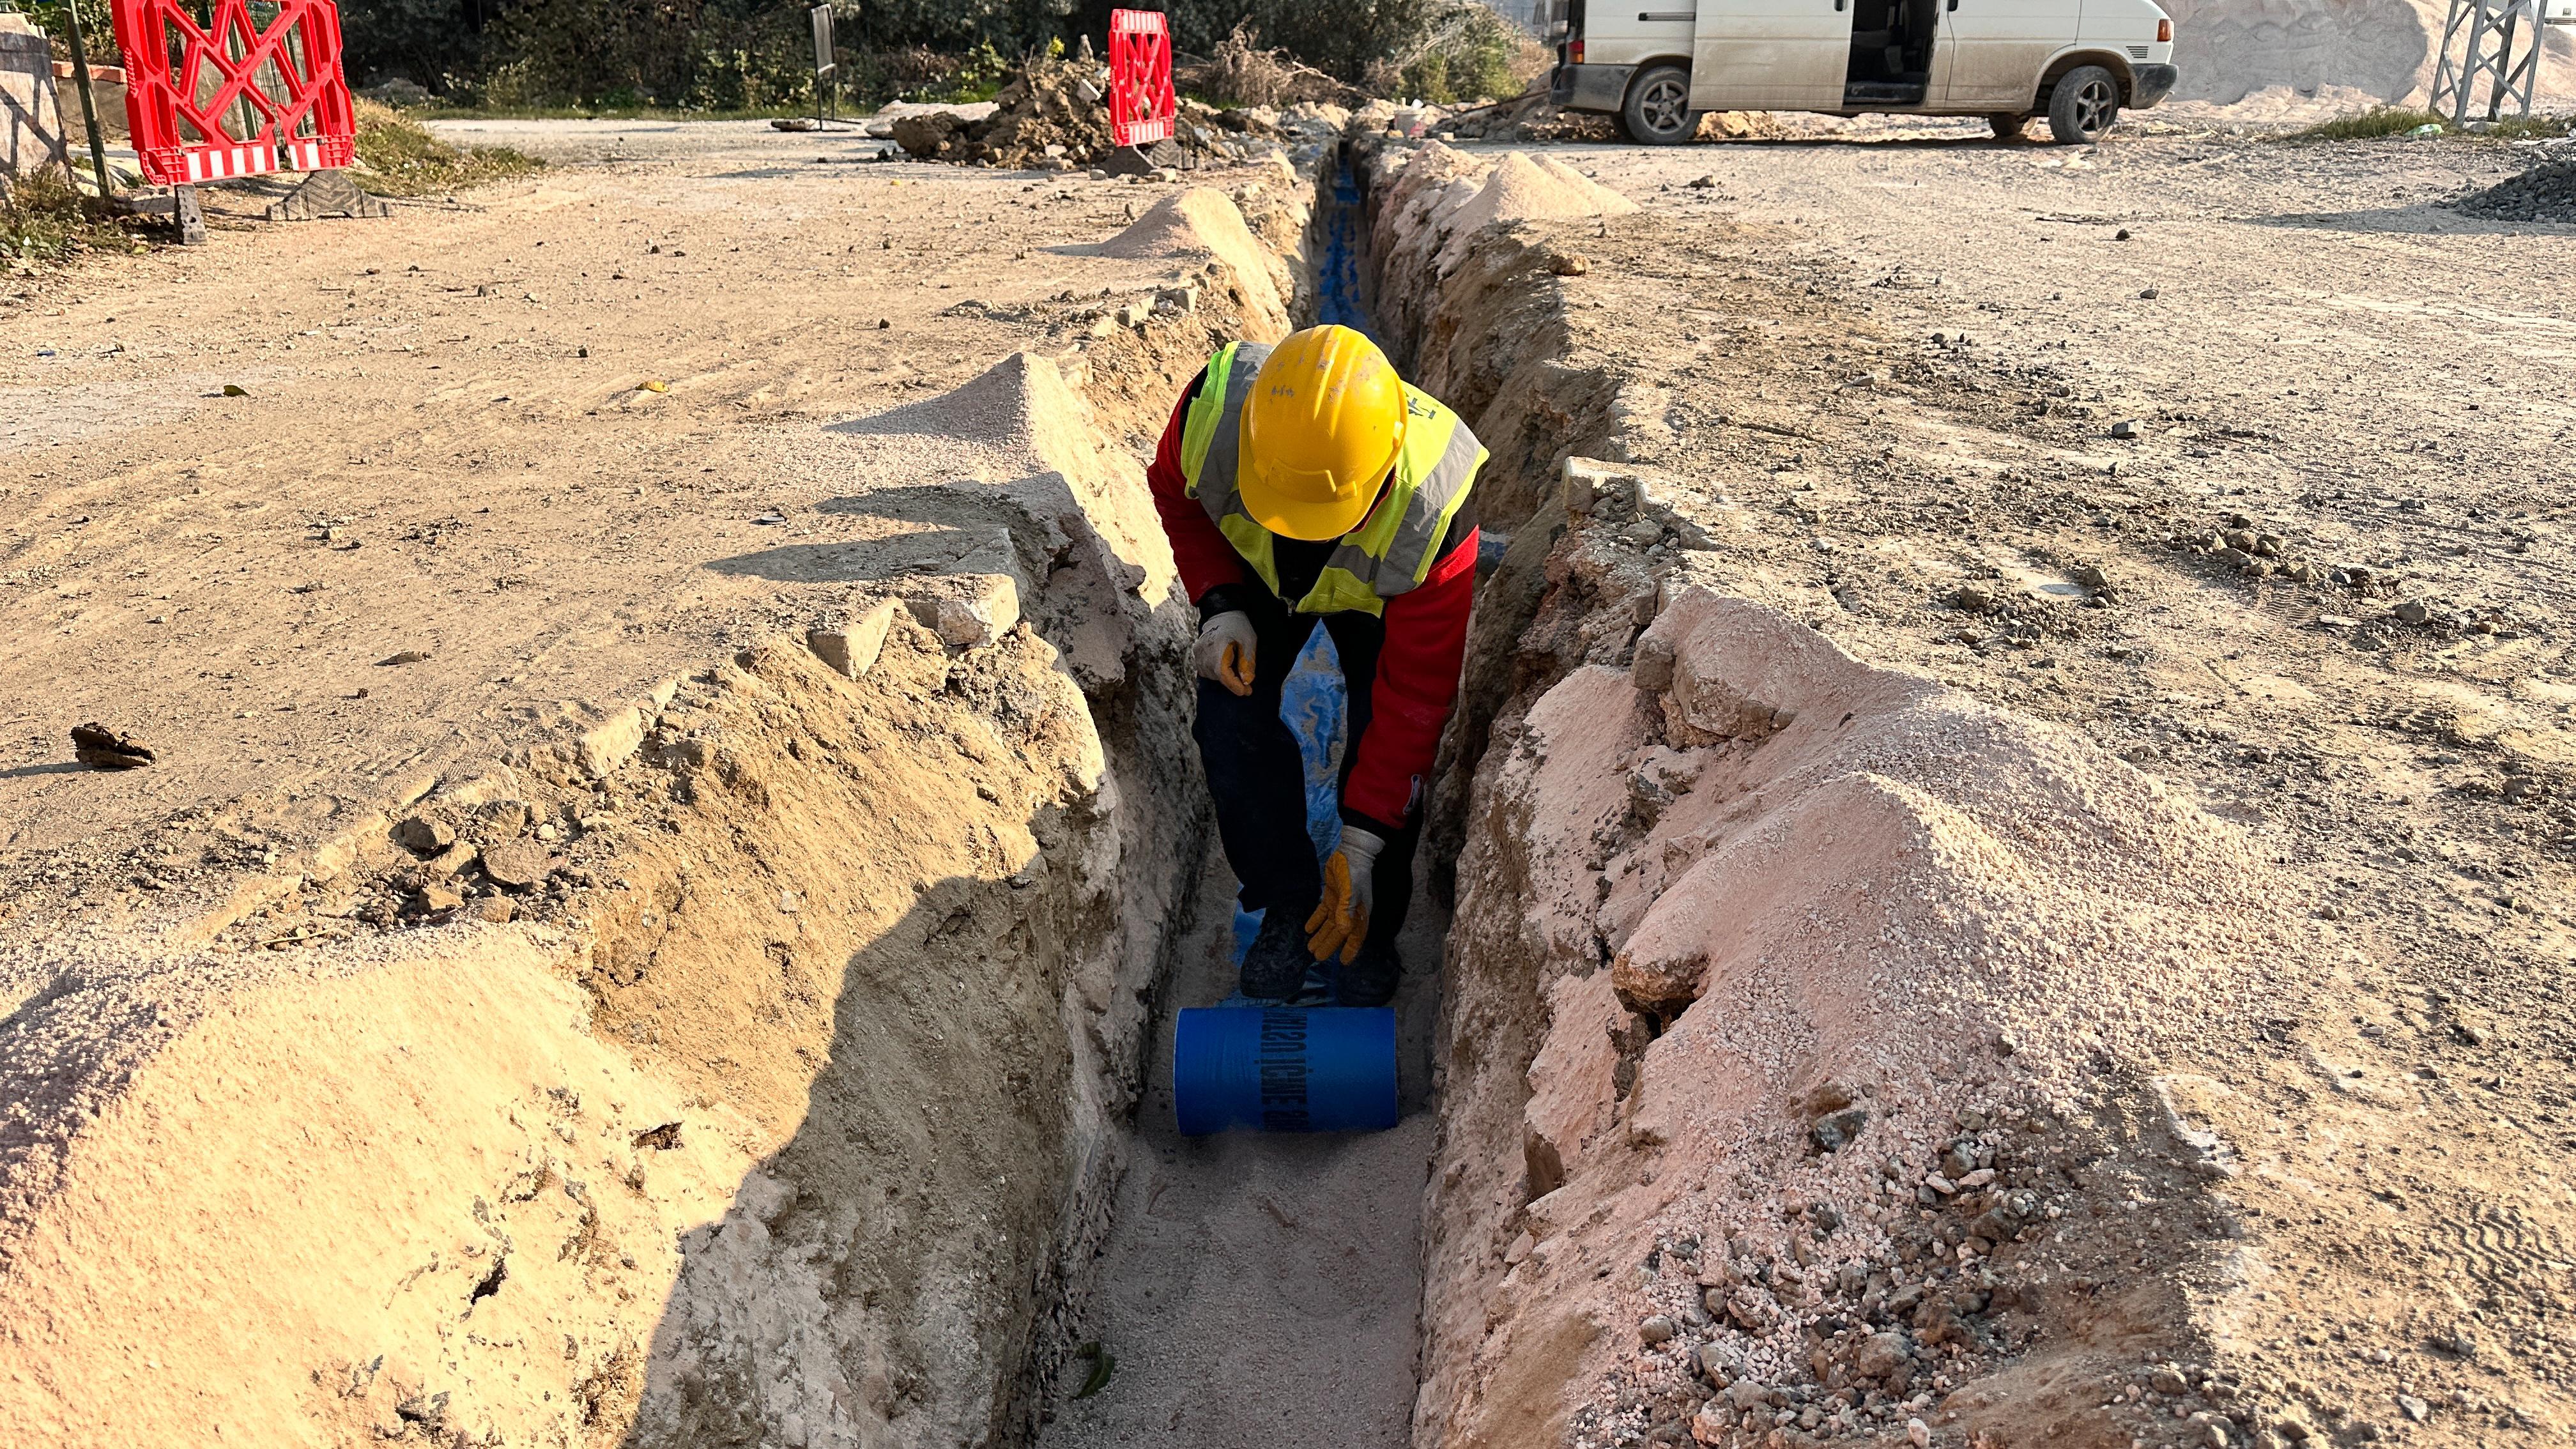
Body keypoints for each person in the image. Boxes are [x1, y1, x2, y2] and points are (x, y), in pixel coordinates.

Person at [1146, 324, 1485, 1007]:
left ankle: (1372, 923)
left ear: (1383, 473)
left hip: (1377, 602)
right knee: (1227, 723)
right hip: (1257, 579)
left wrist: (1361, 845)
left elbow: (1413, 700)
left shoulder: (1434, 512)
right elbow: (1177, 501)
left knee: (1378, 749)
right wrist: (1220, 603)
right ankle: (1285, 905)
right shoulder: (1210, 420)